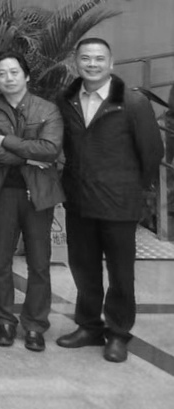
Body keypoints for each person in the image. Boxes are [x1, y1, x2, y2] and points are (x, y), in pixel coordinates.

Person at [54, 37, 164, 363]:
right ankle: (88, 325)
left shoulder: (132, 102)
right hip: (79, 201)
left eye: (99, 58)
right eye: (85, 58)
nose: (92, 64)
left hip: (119, 203)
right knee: (83, 268)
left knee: (120, 273)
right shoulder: (66, 100)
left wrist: (130, 188)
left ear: (111, 63)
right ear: (76, 63)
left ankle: (117, 333)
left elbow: (152, 152)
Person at [0, 51, 64, 352]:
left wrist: (7, 142)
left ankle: (35, 325)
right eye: (1, 73)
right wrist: (27, 156)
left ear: (26, 75)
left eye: (14, 72)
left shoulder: (47, 108)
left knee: (39, 263)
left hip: (39, 193)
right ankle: (4, 321)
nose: (8, 78)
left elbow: (49, 149)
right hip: (1, 193)